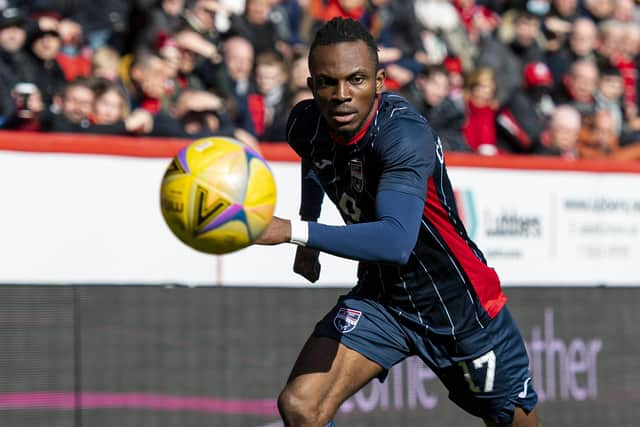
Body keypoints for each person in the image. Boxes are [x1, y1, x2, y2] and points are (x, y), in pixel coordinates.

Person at [256, 17, 541, 427]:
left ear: (379, 82)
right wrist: (309, 229)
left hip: (458, 307)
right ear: (311, 84)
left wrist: (292, 231)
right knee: (302, 405)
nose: (340, 95)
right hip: (382, 299)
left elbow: (396, 241)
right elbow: (314, 160)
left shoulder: (404, 135)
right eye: (326, 82)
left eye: (355, 79)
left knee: (512, 422)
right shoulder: (305, 123)